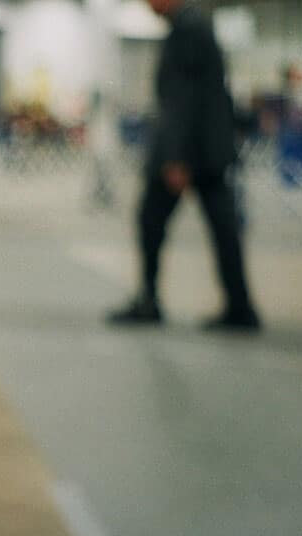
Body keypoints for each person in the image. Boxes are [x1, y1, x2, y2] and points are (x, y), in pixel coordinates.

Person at [107, 0, 260, 330]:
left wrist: (176, 157)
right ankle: (240, 306)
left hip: (189, 154)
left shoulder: (187, 30)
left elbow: (182, 98)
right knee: (225, 230)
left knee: (151, 220)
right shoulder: (196, 25)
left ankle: (148, 301)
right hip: (209, 152)